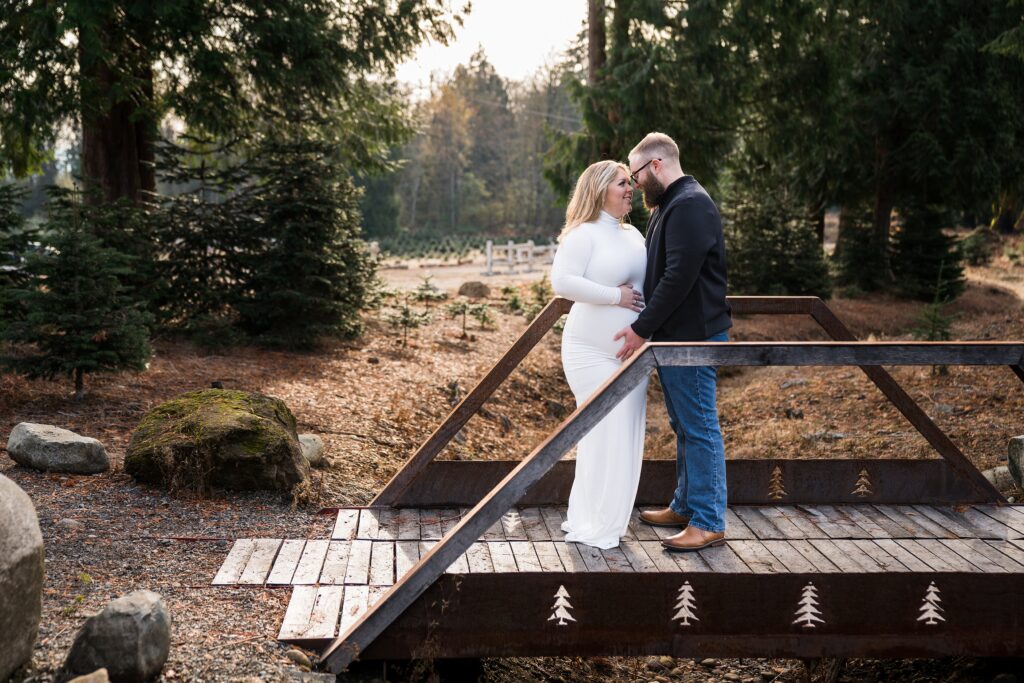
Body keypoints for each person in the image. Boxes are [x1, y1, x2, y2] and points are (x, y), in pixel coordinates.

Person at [613, 132, 733, 552]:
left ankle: (709, 520)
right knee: (684, 424)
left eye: (637, 173)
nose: (635, 183)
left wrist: (642, 327)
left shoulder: (690, 205)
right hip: (678, 337)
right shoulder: (672, 205)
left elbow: (678, 276)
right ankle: (685, 505)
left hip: (694, 337)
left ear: (657, 165)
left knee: (699, 425)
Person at [550, 160, 649, 549]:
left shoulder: (634, 234)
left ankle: (607, 519)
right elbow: (563, 282)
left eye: (631, 182)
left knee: (625, 434)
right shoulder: (583, 234)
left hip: (631, 353)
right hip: (589, 352)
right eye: (622, 183)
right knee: (600, 434)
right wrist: (616, 296)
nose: (631, 189)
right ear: (599, 190)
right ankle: (593, 520)